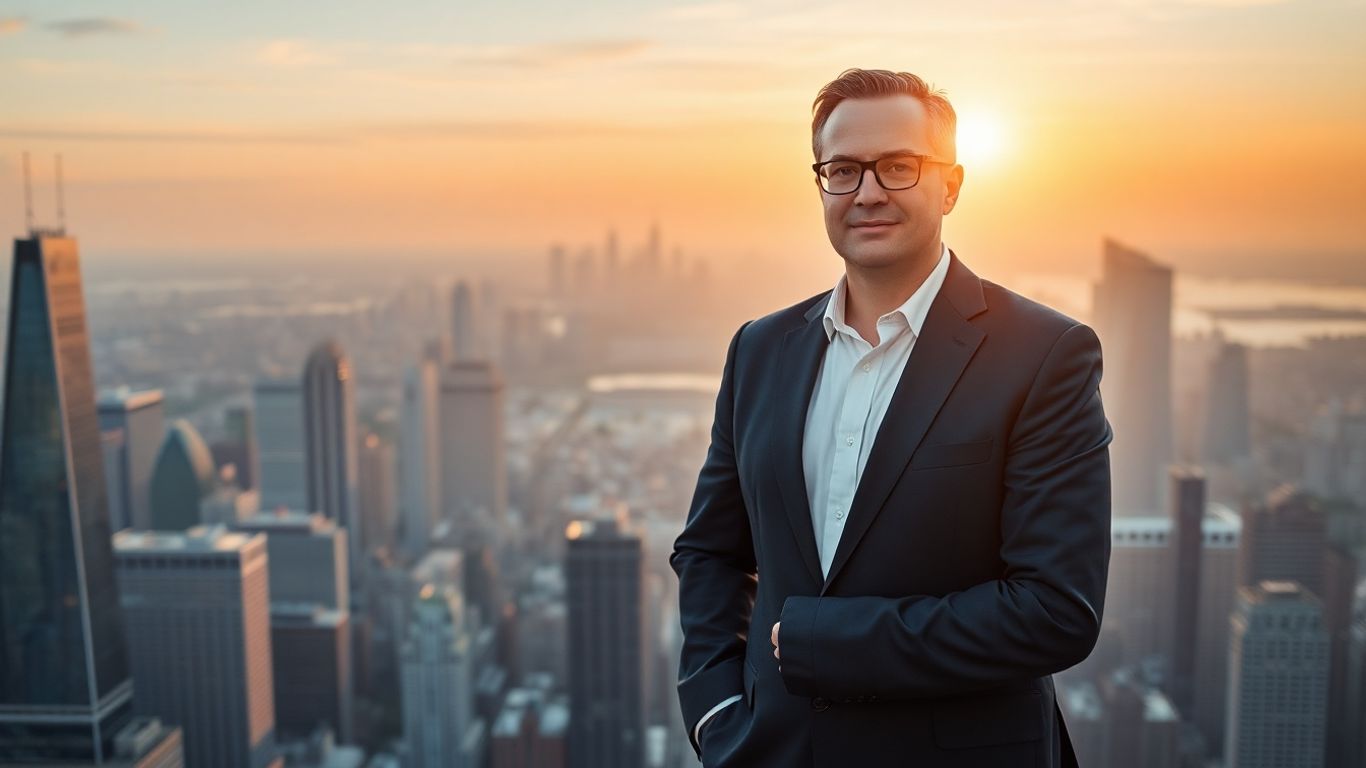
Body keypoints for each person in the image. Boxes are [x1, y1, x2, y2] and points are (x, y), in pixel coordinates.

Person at [670, 68, 1113, 768]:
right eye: (842, 170)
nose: (868, 192)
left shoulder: (1044, 354)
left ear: (951, 185)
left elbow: (1056, 611)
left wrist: (832, 640)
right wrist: (714, 710)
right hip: (772, 753)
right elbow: (710, 553)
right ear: (820, 184)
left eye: (899, 167)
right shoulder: (760, 348)